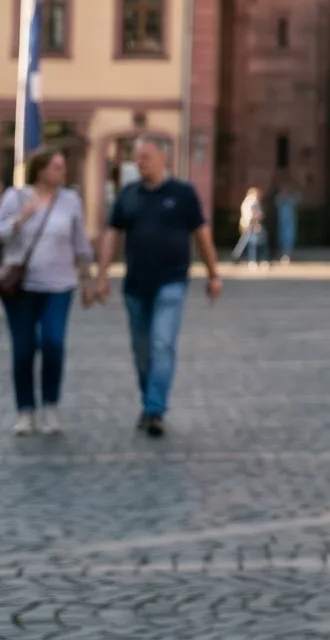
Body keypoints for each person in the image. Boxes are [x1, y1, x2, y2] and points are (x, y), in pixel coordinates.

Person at [91, 140, 222, 436]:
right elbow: (112, 236)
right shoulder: (128, 196)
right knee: (142, 351)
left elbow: (202, 235)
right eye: (137, 158)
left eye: (146, 157)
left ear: (163, 157)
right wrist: (102, 276)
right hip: (136, 285)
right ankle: (149, 399)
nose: (140, 163)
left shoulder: (183, 194)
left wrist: (214, 273)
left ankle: (154, 409)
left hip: (172, 283)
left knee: (162, 344)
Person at [0, 148, 98, 436]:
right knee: (23, 350)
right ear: (41, 170)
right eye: (57, 167)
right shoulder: (15, 197)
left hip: (59, 286)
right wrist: (19, 220)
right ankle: (25, 411)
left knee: (53, 342)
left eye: (63, 167)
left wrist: (88, 280)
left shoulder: (71, 200)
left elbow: (80, 243)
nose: (62, 172)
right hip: (21, 288)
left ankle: (50, 405)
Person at [232, 186, 265, 267]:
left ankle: (236, 256)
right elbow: (253, 214)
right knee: (251, 244)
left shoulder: (246, 201)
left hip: (245, 223)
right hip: (251, 225)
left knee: (245, 242)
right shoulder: (253, 202)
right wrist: (257, 222)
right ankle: (251, 260)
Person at [274, 183, 300, 265]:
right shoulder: (279, 199)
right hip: (281, 222)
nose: (285, 191)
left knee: (289, 238)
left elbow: (298, 197)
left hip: (290, 222)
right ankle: (282, 254)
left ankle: (287, 255)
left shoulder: (291, 199)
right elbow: (276, 202)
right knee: (281, 238)